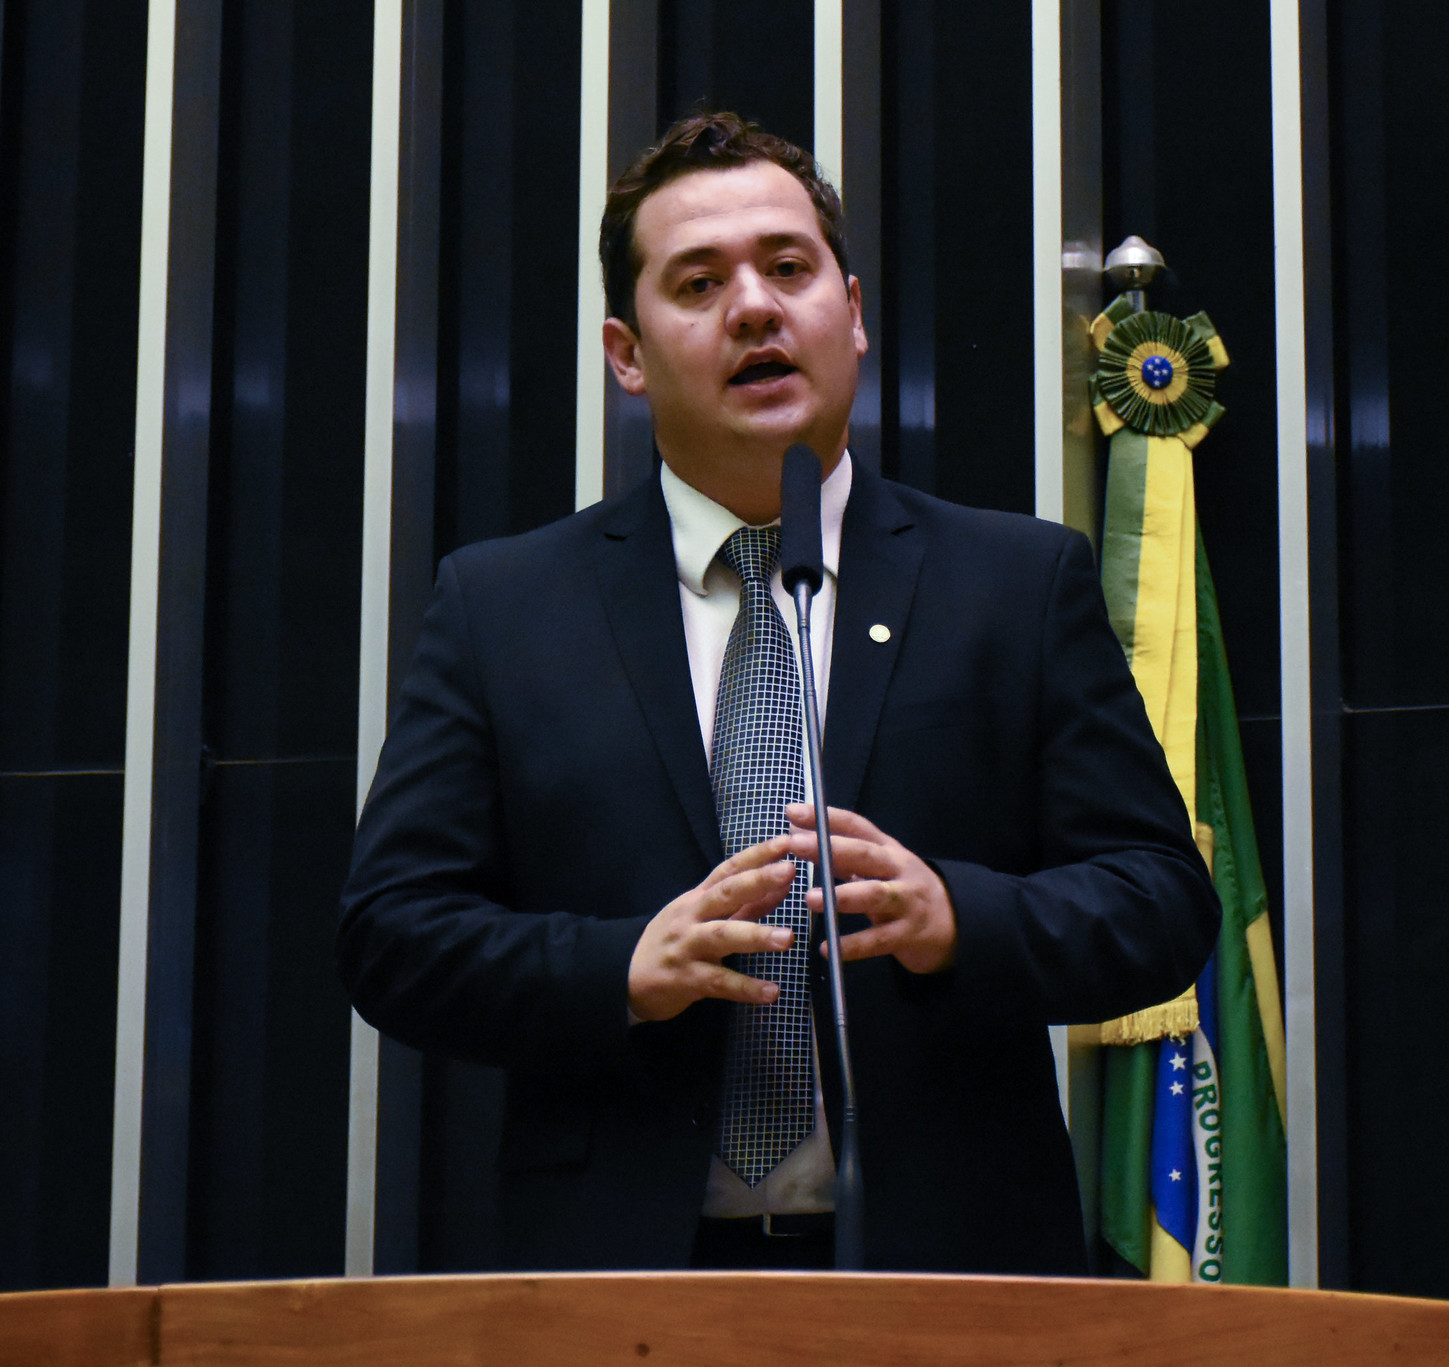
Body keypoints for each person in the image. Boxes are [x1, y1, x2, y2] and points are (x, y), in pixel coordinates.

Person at [338, 111, 1219, 1275]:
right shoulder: (505, 607)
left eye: (786, 268)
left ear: (849, 315)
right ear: (626, 353)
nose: (752, 306)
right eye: (698, 282)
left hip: (952, 1267)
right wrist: (618, 969)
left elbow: (1158, 898)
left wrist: (957, 916)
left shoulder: (1013, 583)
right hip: (619, 1281)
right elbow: (393, 933)